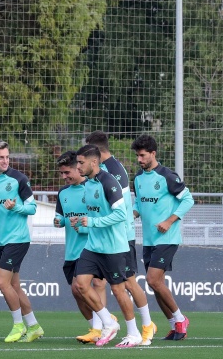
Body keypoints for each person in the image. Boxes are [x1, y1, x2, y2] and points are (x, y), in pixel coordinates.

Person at [85, 131, 156, 342]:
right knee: (100, 283)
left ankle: (147, 325)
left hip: (121, 236)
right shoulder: (105, 169)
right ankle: (101, 327)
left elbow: (118, 208)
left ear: (96, 152)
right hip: (105, 237)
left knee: (129, 283)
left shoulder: (113, 170)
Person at [72, 145, 140, 347]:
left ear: (94, 162)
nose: (78, 167)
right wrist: (82, 222)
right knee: (80, 284)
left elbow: (120, 215)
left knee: (119, 290)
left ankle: (134, 333)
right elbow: (95, 213)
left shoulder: (109, 182)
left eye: (81, 163)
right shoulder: (88, 184)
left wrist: (92, 222)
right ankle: (109, 323)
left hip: (114, 248)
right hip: (93, 246)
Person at [130, 135, 194, 344]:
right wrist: (130, 216)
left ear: (153, 153)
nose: (139, 160)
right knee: (156, 284)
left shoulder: (167, 176)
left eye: (142, 155)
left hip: (167, 237)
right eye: (137, 156)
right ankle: (174, 325)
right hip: (149, 240)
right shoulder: (138, 178)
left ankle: (181, 319)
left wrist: (169, 221)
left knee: (152, 280)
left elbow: (188, 199)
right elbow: (139, 204)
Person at [0, 140, 44, 343]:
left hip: (18, 239)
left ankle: (18, 325)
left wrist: (15, 207)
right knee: (14, 285)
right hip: (0, 241)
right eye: (1, 157)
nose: (5, 161)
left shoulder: (19, 179)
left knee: (1, 281)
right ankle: (34, 326)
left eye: (7, 157)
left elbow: (32, 208)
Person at [54, 151, 111, 344]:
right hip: (72, 250)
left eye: (67, 172)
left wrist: (85, 226)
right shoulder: (63, 193)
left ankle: (100, 328)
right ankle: (100, 323)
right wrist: (58, 221)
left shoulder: (92, 188)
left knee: (96, 285)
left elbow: (102, 218)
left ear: (78, 168)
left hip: (93, 247)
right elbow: (61, 217)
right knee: (77, 291)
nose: (64, 177)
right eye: (62, 173)